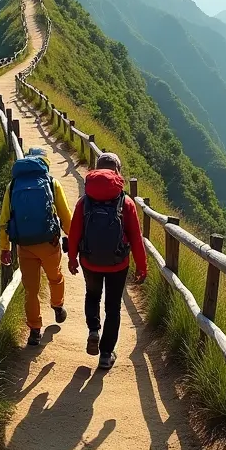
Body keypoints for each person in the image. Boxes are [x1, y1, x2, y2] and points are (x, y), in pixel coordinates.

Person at [67, 152, 148, 370]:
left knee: (92, 295)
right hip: (118, 263)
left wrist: (72, 258)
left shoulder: (84, 202)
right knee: (113, 307)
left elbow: (74, 232)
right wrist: (142, 266)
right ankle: (105, 354)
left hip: (90, 261)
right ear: (118, 172)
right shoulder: (126, 202)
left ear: (96, 169)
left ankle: (94, 329)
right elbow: (135, 238)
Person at [0, 147, 73, 346]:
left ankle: (34, 330)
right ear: (45, 162)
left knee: (30, 289)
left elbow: (4, 220)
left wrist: (5, 248)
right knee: (55, 276)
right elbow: (66, 217)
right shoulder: (51, 182)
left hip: (24, 245)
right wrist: (73, 239)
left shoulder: (13, 185)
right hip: (48, 243)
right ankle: (57, 306)